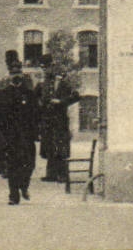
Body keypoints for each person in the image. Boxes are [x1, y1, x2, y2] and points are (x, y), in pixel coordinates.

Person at [0, 50, 40, 205]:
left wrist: (35, 131)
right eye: (13, 74)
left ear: (22, 74)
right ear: (10, 76)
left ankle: (24, 186)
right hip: (10, 136)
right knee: (12, 166)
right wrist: (1, 132)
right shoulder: (3, 93)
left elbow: (36, 113)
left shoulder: (29, 93)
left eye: (19, 73)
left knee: (29, 164)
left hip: (27, 136)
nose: (16, 76)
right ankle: (13, 195)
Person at [38, 54, 80, 182]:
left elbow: (76, 96)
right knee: (50, 146)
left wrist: (61, 102)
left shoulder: (63, 81)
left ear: (52, 66)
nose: (45, 71)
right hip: (47, 120)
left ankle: (62, 175)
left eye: (46, 68)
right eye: (43, 69)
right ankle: (51, 174)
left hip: (60, 119)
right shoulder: (43, 83)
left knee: (61, 146)